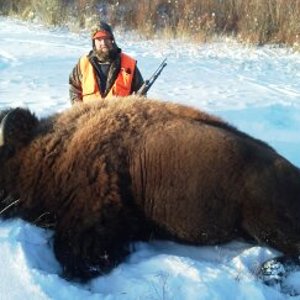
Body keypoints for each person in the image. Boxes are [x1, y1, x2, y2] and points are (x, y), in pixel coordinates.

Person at [69, 21, 144, 104]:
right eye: (99, 39)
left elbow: (140, 93)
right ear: (94, 42)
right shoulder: (83, 64)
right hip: (90, 115)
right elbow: (74, 89)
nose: (103, 43)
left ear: (112, 40)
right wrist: (79, 109)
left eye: (106, 38)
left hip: (120, 116)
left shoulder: (128, 64)